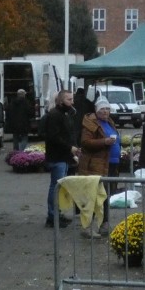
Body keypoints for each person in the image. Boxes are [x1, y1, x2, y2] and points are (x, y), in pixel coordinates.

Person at [77, 98, 119, 238]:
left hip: (111, 164)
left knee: (106, 196)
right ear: (96, 110)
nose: (105, 111)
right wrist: (104, 141)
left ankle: (104, 224)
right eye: (102, 109)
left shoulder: (109, 122)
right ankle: (87, 226)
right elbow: (85, 142)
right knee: (94, 196)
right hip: (96, 165)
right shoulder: (90, 123)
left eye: (107, 109)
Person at [44, 90, 79, 228]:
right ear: (60, 100)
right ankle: (53, 216)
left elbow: (69, 134)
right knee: (56, 187)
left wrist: (73, 149)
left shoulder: (66, 114)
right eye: (69, 99)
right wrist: (70, 148)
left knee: (59, 187)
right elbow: (54, 137)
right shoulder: (54, 115)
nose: (72, 102)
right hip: (57, 156)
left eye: (72, 99)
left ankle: (56, 214)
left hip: (63, 156)